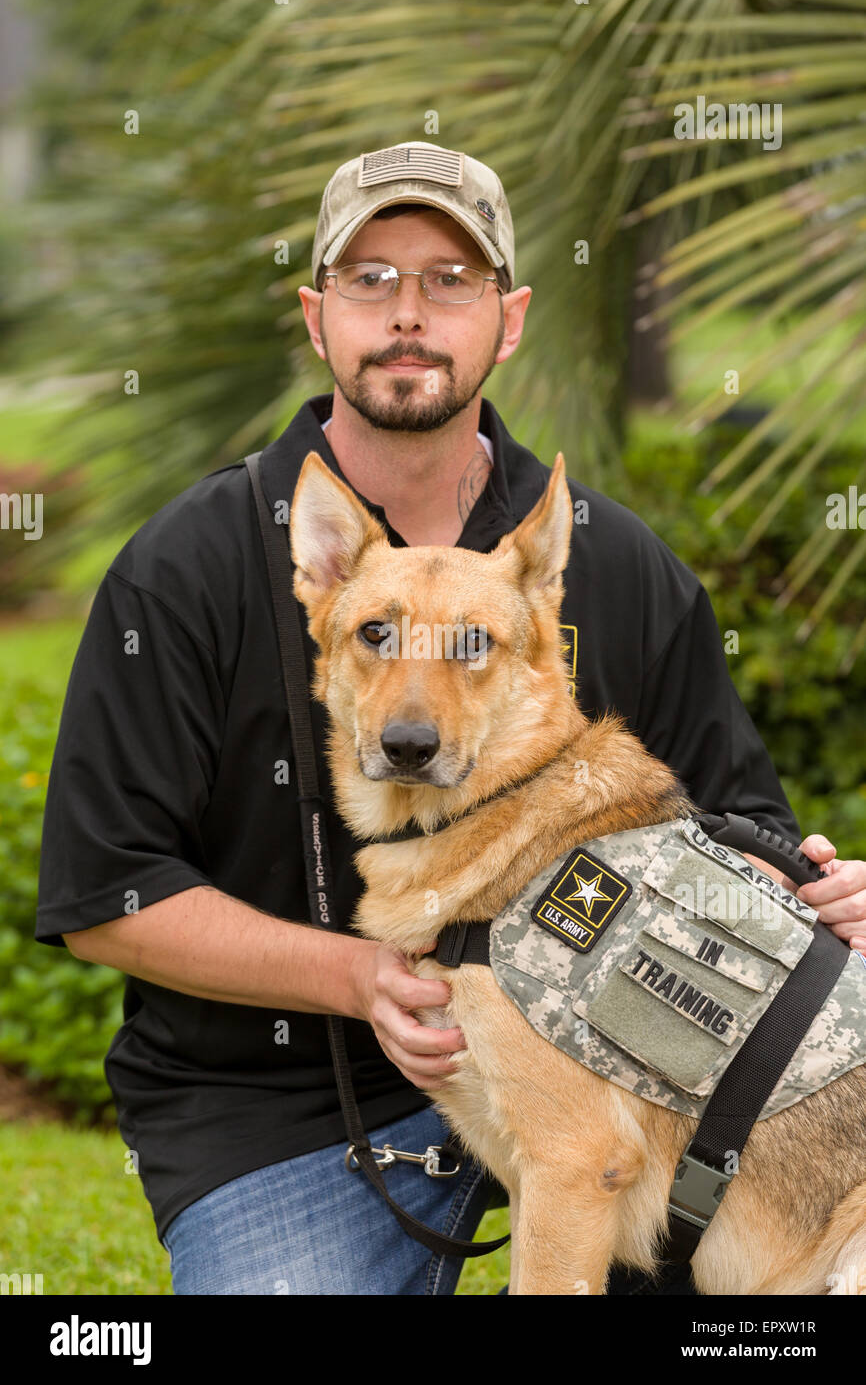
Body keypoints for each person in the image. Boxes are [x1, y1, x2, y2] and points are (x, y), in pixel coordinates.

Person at [35, 141, 866, 1297]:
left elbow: (735, 834)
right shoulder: (189, 566)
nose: (407, 314)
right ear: (317, 315)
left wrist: (824, 894)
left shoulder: (610, 562)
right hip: (287, 1109)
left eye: (449, 280)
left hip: (639, 1092)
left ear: (508, 318)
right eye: (370, 279)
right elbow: (104, 895)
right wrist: (359, 979)